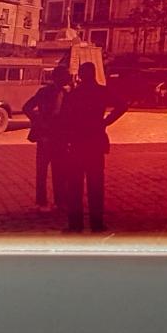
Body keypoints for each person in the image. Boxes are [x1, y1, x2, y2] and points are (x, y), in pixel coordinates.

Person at [59, 61, 128, 233]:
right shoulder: (102, 92)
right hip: (96, 141)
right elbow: (122, 105)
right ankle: (97, 224)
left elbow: (64, 120)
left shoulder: (74, 94)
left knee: (74, 186)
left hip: (76, 143)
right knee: (96, 185)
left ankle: (75, 225)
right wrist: (105, 122)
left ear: (82, 75)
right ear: (95, 73)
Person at [23, 65, 71, 212]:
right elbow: (27, 107)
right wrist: (38, 121)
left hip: (56, 137)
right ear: (57, 77)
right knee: (48, 171)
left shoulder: (65, 93)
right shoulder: (47, 92)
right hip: (48, 136)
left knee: (55, 170)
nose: (68, 78)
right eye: (65, 75)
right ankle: (48, 202)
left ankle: (54, 201)